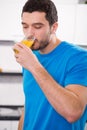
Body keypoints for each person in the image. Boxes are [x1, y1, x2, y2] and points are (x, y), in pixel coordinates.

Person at [13, 0, 87, 130]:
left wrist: (34, 66)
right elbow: (30, 105)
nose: (29, 33)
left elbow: (73, 113)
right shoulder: (31, 56)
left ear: (54, 27)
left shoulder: (79, 58)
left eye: (37, 27)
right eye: (25, 26)